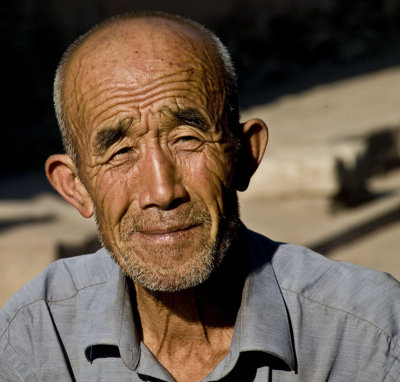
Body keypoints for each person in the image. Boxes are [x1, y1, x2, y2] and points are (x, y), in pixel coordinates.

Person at [1, 11, 400, 382]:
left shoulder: (368, 334)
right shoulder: (37, 336)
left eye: (188, 139)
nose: (162, 191)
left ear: (244, 155)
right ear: (75, 187)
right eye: (120, 152)